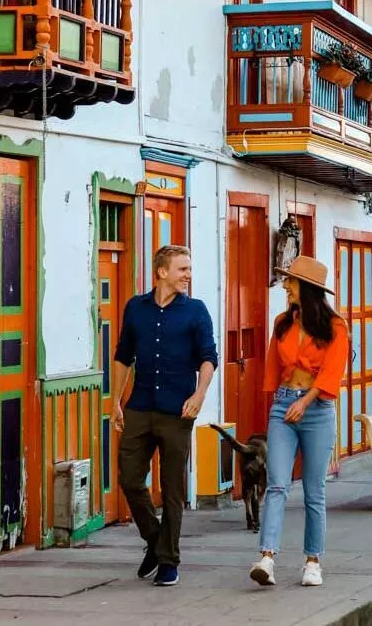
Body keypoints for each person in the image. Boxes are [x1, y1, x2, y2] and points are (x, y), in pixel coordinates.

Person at [111, 245, 217, 587]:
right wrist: (115, 401)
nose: (188, 275)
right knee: (129, 478)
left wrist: (199, 395)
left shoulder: (196, 312)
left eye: (189, 268)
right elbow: (123, 356)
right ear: (161, 272)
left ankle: (169, 559)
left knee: (172, 489)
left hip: (177, 411)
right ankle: (155, 542)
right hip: (139, 407)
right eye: (182, 269)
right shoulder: (135, 308)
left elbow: (208, 357)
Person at [249, 256, 349, 589]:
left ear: (304, 288)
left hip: (317, 410)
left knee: (314, 491)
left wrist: (305, 402)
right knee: (276, 483)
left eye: (290, 281)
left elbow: (332, 373)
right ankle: (267, 557)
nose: (285, 286)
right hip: (284, 407)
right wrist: (282, 403)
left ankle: (312, 561)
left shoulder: (335, 328)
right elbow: (272, 370)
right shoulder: (282, 323)